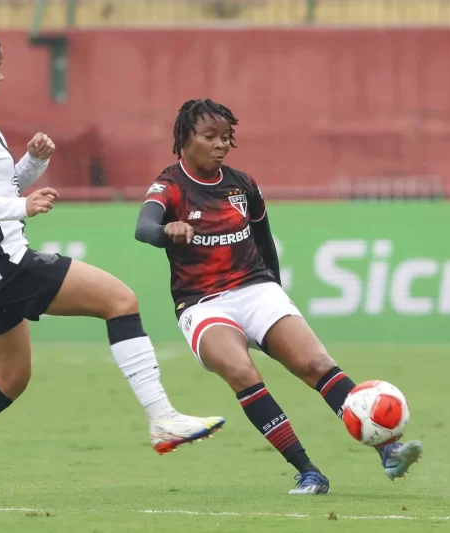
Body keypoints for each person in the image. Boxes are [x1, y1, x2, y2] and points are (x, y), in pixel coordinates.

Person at [0, 29, 225, 504]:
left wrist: (30, 165)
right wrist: (22, 208)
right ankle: (163, 417)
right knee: (120, 300)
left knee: (10, 377)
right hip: (1, 265)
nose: (3, 76)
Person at [134, 99, 423, 495]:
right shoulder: (170, 186)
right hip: (202, 303)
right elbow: (144, 228)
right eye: (210, 137)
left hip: (256, 289)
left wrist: (276, 294)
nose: (220, 145)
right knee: (243, 373)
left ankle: (389, 451)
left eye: (226, 137)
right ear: (185, 139)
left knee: (315, 362)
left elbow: (264, 241)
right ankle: (308, 471)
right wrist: (167, 231)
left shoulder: (242, 184)